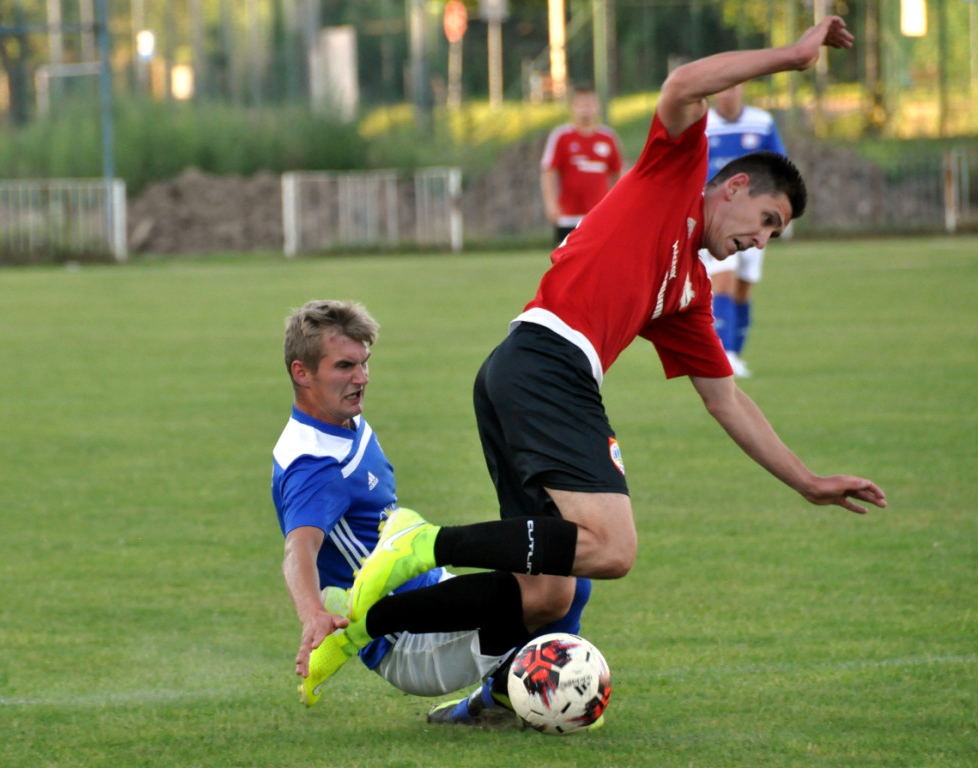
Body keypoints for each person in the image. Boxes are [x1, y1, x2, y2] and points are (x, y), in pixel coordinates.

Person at [306, 17, 886, 701]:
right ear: (731, 188)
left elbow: (726, 399)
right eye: (766, 220)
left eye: (774, 235)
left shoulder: (689, 294)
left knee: (547, 593)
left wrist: (806, 480)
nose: (761, 240)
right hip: (546, 362)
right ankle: (423, 544)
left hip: (517, 373)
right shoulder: (675, 172)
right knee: (611, 547)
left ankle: (362, 625)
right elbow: (681, 84)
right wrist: (790, 57)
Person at [274, 299, 591, 722]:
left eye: (365, 364)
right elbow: (298, 550)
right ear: (302, 372)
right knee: (551, 590)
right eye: (345, 367)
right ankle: (360, 636)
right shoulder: (316, 465)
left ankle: (494, 705)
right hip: (404, 642)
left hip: (432, 593)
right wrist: (312, 613)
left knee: (568, 576)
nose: (362, 378)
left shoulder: (339, 422)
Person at [699, 84, 788, 377]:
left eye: (734, 87)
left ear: (743, 88)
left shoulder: (761, 122)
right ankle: (724, 355)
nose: (728, 93)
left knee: (744, 286)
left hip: (754, 221)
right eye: (722, 88)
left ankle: (735, 352)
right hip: (718, 219)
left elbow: (780, 168)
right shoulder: (703, 125)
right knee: (722, 280)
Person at [540, 85, 624, 245]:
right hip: (568, 216)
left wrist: (617, 206)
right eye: (581, 104)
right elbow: (548, 171)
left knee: (599, 262)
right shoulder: (561, 136)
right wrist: (550, 203)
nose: (586, 109)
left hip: (599, 215)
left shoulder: (608, 138)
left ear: (598, 107)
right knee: (565, 263)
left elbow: (618, 175)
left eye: (590, 104)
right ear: (573, 108)